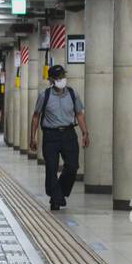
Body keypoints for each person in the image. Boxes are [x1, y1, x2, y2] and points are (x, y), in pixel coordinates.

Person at [28, 64, 89, 211]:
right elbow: (36, 116)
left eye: (63, 76)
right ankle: (56, 199)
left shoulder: (73, 94)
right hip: (51, 135)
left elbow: (79, 114)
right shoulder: (45, 95)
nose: (61, 79)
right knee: (51, 168)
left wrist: (85, 132)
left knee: (73, 166)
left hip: (69, 134)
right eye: (58, 77)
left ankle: (59, 192)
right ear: (51, 80)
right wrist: (33, 137)